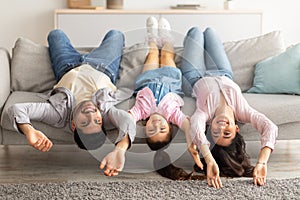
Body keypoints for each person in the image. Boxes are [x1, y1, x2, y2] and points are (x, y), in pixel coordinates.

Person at [8, 29, 136, 177]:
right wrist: (120, 149)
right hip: (103, 66)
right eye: (96, 121)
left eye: (85, 123)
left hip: (67, 66)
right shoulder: (106, 113)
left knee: (55, 34)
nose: (91, 114)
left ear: (74, 124)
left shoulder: (59, 114)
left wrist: (29, 130)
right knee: (115, 34)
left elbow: (17, 109)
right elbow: (127, 120)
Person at [180, 26, 278, 188]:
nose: (221, 127)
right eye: (227, 133)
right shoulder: (243, 111)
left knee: (195, 32)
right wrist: (262, 162)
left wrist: (209, 159)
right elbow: (270, 127)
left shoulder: (204, 113)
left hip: (194, 76)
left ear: (209, 128)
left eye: (215, 132)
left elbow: (196, 129)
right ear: (236, 130)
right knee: (211, 32)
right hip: (224, 73)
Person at [128, 17, 192, 151]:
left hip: (147, 78)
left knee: (152, 54)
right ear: (169, 125)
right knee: (166, 56)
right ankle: (166, 37)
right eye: (162, 129)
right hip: (170, 78)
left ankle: (151, 36)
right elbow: (186, 124)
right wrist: (189, 139)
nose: (157, 125)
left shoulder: (141, 112)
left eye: (152, 131)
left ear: (145, 129)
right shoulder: (172, 114)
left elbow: (128, 118)